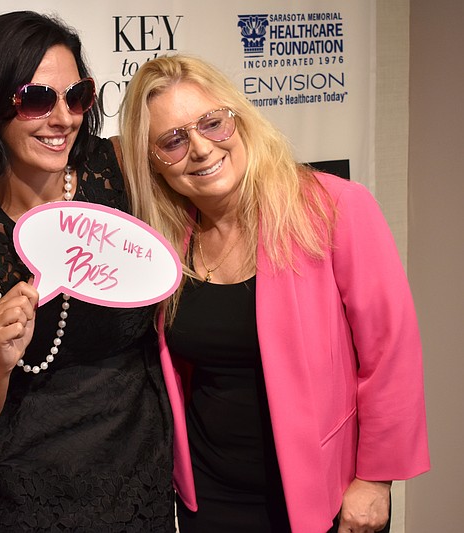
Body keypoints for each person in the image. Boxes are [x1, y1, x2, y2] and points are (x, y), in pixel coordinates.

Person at [118, 54, 430, 533]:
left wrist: (376, 480)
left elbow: (391, 354)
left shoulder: (335, 208)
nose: (201, 148)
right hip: (211, 499)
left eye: (212, 123)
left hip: (323, 494)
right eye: (173, 141)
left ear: (238, 120)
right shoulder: (166, 244)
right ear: (153, 164)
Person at [0, 11, 176, 532]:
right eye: (37, 99)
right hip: (6, 488)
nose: (63, 117)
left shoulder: (121, 171)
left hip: (130, 470)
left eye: (77, 97)